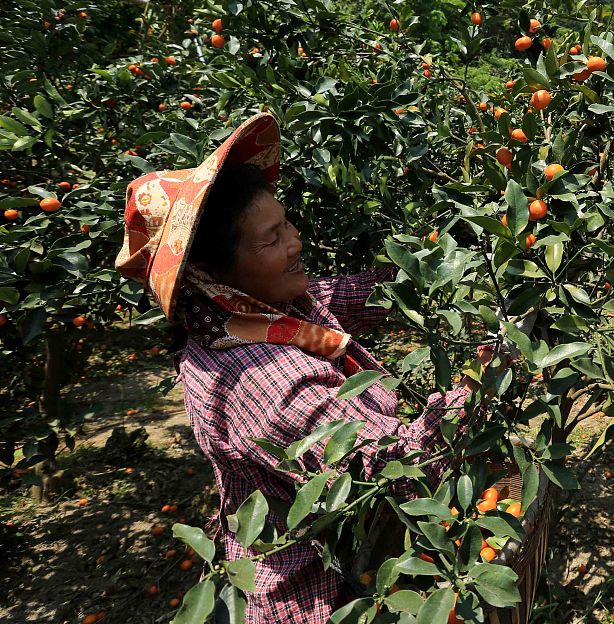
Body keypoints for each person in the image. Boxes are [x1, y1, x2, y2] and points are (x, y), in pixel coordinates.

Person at [116, 113, 480, 623]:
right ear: (213, 272)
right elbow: (398, 468)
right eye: (271, 239)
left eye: (286, 223)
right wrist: (479, 383)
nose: (295, 242)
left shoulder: (253, 316)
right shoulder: (262, 376)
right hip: (322, 593)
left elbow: (347, 296)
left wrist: (433, 266)